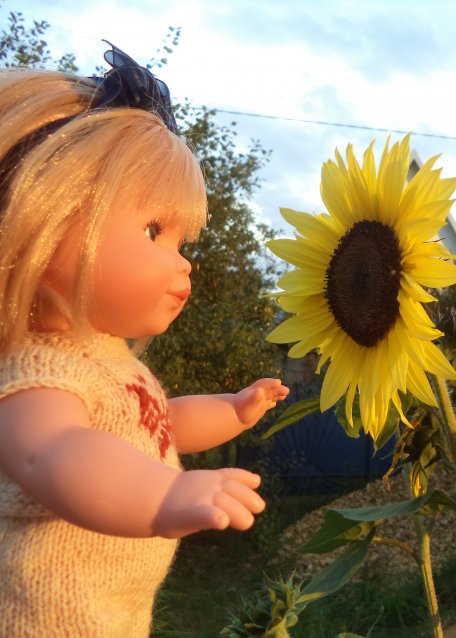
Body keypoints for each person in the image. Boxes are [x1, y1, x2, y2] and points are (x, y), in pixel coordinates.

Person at [0, 43, 289, 636]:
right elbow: (52, 454)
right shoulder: (36, 371)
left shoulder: (107, 359)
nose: (183, 264)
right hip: (44, 618)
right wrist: (161, 495)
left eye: (183, 243)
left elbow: (157, 424)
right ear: (43, 215)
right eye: (156, 231)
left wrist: (234, 411)